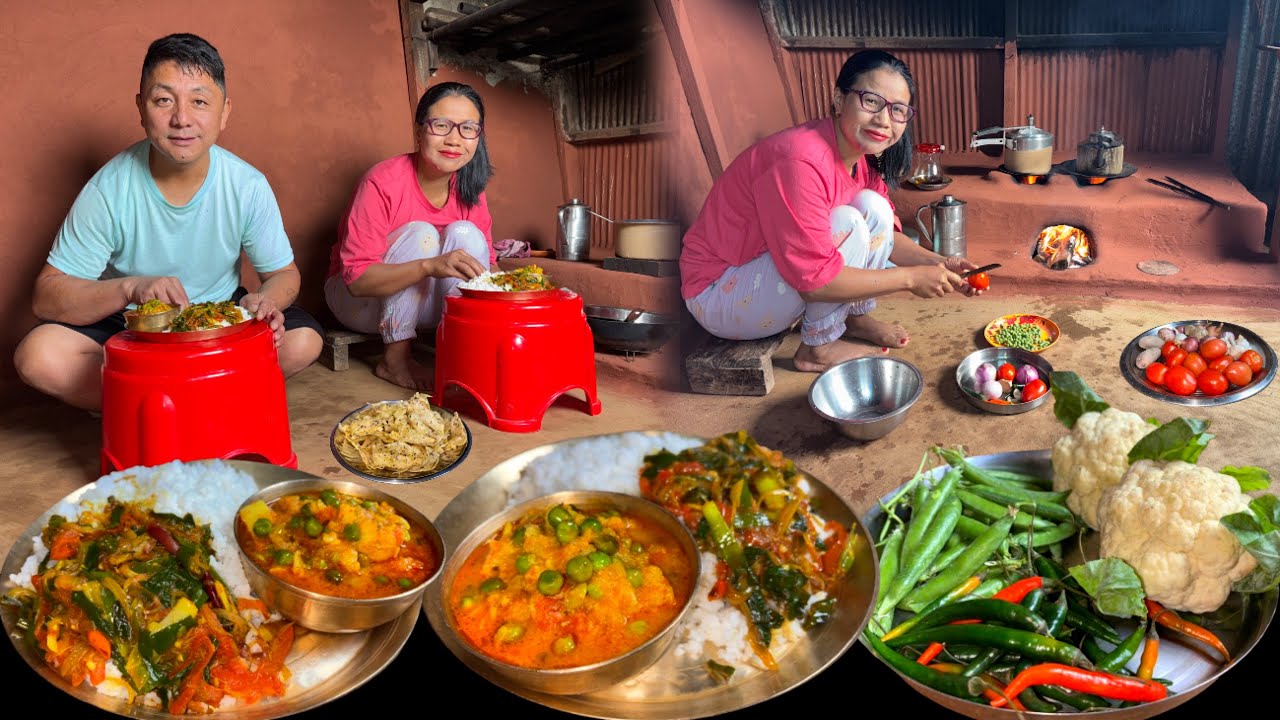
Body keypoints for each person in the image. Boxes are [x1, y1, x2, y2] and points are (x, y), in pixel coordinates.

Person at [13, 33, 324, 411]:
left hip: (218, 320)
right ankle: (199, 404)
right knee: (38, 355)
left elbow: (284, 275)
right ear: (141, 109)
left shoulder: (247, 184)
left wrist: (265, 303)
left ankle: (159, 407)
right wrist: (132, 289)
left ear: (224, 112)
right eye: (163, 100)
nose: (181, 119)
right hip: (132, 326)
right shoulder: (109, 187)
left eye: (199, 101)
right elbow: (47, 296)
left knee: (304, 341)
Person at [679, 50, 984, 373]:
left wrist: (942, 265)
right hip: (719, 295)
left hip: (768, 274)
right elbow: (814, 282)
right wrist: (910, 279)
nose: (883, 119)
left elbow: (889, 239)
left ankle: (854, 318)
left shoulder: (860, 161)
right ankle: (817, 349)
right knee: (847, 222)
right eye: (871, 101)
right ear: (839, 100)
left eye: (897, 110)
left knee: (873, 207)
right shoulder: (800, 160)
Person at [324, 82, 493, 391]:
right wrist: (429, 266)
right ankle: (395, 359)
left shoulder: (472, 189)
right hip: (361, 305)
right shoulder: (382, 182)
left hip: (427, 308)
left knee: (467, 234)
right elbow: (357, 280)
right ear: (419, 131)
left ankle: (460, 354)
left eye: (468, 128)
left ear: (477, 137)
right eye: (441, 125)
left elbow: (486, 270)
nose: (454, 139)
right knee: (422, 234)